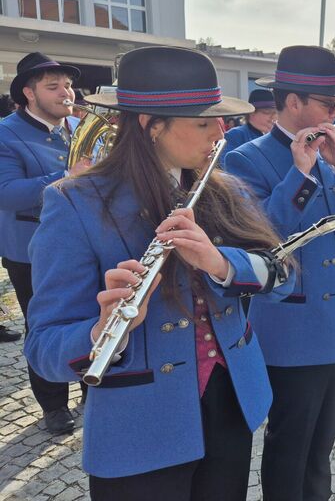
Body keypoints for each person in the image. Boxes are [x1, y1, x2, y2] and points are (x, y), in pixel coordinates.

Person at [23, 46, 294, 499]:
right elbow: (43, 346)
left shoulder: (225, 189)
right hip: (139, 425)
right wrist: (102, 332)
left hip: (229, 404)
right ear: (151, 126)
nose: (221, 133)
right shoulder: (75, 203)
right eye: (203, 123)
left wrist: (220, 263)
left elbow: (284, 277)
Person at [225, 45, 335, 501]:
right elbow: (259, 241)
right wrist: (298, 175)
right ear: (293, 101)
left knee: (322, 443)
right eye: (330, 104)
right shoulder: (247, 158)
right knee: (290, 443)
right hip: (294, 326)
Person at [0, 52, 90, 435]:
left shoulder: (78, 126)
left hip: (85, 241)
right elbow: (8, 193)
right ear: (29, 93)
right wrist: (66, 175)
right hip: (31, 249)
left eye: (68, 85)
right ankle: (53, 405)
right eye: (53, 87)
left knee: (89, 315)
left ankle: (92, 385)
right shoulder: (5, 133)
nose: (66, 93)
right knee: (43, 324)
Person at [220, 88, 276, 166]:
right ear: (252, 113)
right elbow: (227, 165)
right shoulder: (235, 135)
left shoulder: (276, 136)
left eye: (276, 113)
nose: (274, 117)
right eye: (267, 112)